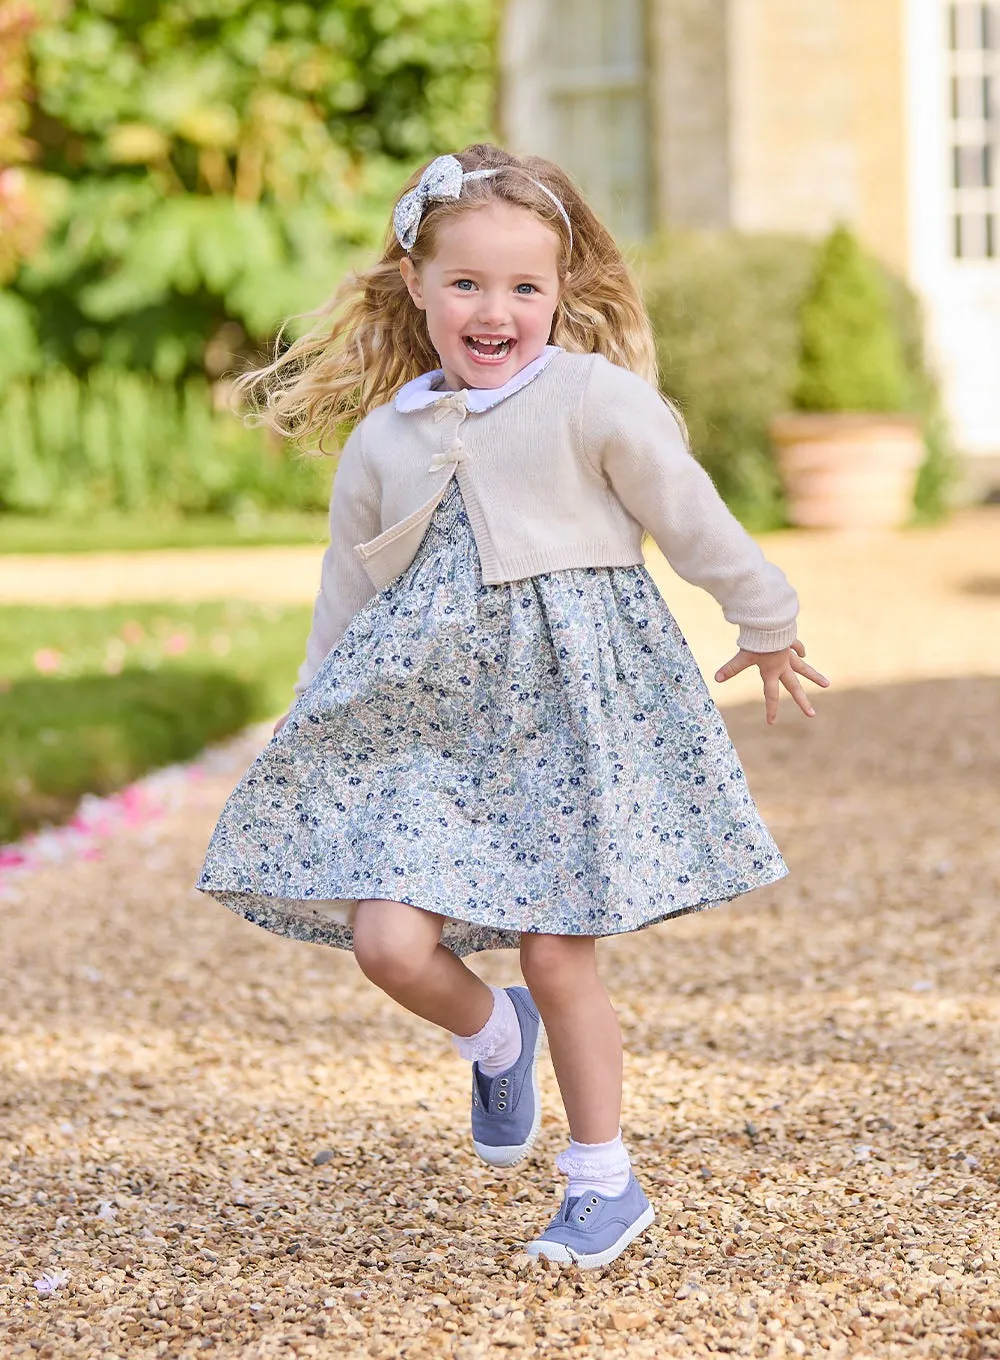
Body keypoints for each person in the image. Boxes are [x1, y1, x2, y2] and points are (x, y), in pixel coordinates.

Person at [196, 143, 829, 1270]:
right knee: (387, 941)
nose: (497, 309)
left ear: (559, 295)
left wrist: (764, 617)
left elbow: (692, 516)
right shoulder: (388, 439)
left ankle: (602, 1180)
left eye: (524, 287)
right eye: (469, 284)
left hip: (573, 713)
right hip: (431, 726)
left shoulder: (592, 399)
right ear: (416, 286)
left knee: (554, 949)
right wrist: (309, 718)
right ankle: (494, 1039)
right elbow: (348, 588)